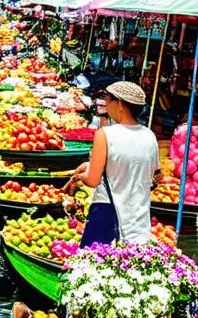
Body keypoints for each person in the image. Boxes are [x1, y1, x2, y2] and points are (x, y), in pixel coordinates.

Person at [66, 81, 157, 245]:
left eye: (108, 99)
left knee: (95, 265)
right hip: (139, 217)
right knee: (128, 265)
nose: (106, 104)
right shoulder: (150, 136)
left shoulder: (105, 134)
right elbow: (153, 175)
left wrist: (80, 175)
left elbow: (93, 180)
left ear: (120, 104)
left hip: (108, 213)